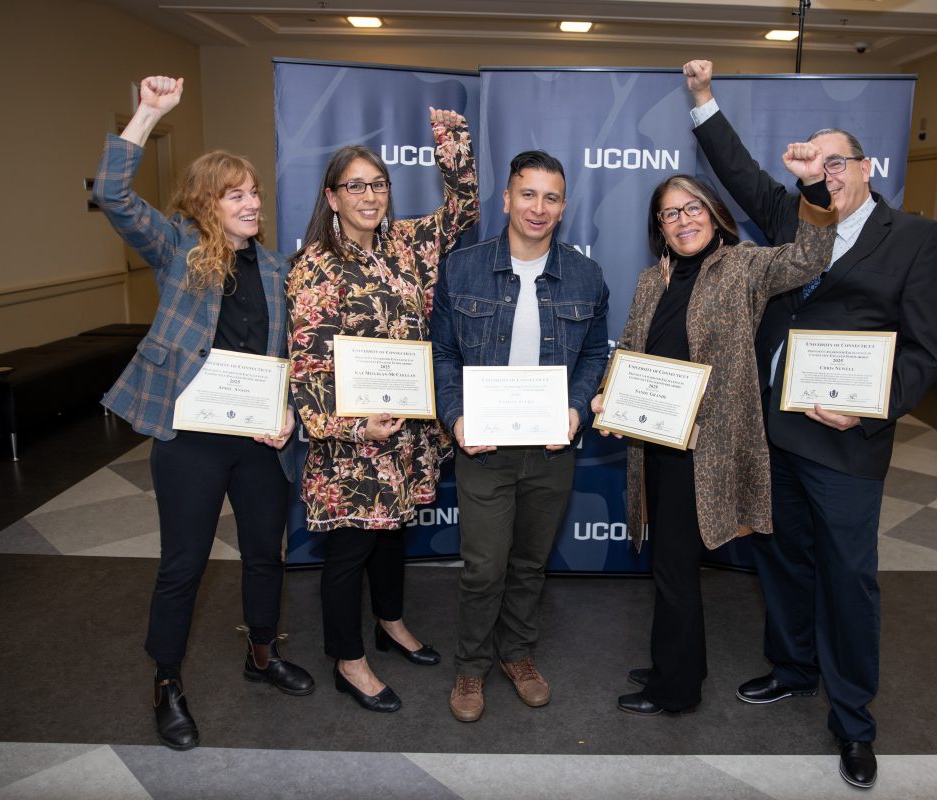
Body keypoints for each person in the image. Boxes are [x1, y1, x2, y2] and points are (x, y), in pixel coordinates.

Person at [683, 60, 937, 788]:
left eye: (839, 161)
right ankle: (794, 667)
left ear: (867, 168)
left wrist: (872, 403)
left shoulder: (918, 239)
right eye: (815, 162)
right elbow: (736, 171)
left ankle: (854, 720)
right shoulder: (792, 217)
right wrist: (703, 99)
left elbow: (929, 350)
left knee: (848, 578)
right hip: (774, 432)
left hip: (845, 440)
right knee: (781, 560)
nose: (827, 174)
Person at [92, 75, 313, 751]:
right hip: (191, 435)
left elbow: (287, 356)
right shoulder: (177, 252)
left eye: (254, 193)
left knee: (263, 556)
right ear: (204, 204)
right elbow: (110, 195)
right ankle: (166, 680)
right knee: (183, 564)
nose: (252, 203)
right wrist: (148, 112)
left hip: (257, 437)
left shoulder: (277, 269)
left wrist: (286, 417)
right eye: (236, 194)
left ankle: (262, 654)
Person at [592, 165, 836, 717]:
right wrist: (610, 396)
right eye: (670, 214)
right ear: (660, 226)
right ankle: (675, 662)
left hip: (706, 446)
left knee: (676, 568)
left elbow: (810, 257)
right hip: (652, 437)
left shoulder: (744, 266)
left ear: (714, 213)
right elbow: (630, 350)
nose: (683, 221)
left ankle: (675, 689)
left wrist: (815, 194)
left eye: (693, 208)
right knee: (667, 563)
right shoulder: (651, 279)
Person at [287, 107, 478, 713]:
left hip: (405, 432)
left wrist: (452, 144)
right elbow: (307, 366)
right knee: (350, 549)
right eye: (356, 186)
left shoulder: (406, 243)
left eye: (378, 184)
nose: (369, 196)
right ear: (332, 197)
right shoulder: (314, 268)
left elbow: (463, 212)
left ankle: (390, 623)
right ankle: (348, 659)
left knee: (392, 532)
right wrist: (352, 426)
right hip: (349, 441)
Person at [431, 150, 609, 722]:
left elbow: (591, 360)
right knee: (485, 567)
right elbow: (442, 354)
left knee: (531, 562)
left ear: (563, 207)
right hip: (483, 446)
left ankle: (518, 654)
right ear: (506, 200)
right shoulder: (463, 268)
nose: (539, 207)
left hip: (552, 447)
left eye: (551, 197)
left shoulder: (587, 276)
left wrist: (578, 410)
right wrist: (456, 417)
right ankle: (471, 664)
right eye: (527, 194)